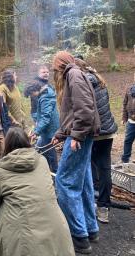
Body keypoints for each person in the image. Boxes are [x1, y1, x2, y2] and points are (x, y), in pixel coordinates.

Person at [0, 126, 75, 256]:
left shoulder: (0, 172)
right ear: (27, 142)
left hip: (22, 234)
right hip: (54, 224)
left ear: (7, 146)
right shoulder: (42, 161)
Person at [52, 51, 100, 255]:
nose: (55, 73)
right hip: (80, 134)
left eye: (55, 69)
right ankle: (91, 229)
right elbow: (73, 111)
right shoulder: (76, 73)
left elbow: (85, 109)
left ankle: (79, 236)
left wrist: (77, 137)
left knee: (64, 182)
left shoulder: (73, 75)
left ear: (61, 65)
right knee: (84, 182)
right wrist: (61, 134)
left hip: (81, 136)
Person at [76, 58, 117, 224]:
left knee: (90, 165)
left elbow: (84, 110)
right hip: (108, 131)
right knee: (104, 167)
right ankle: (103, 207)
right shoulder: (98, 78)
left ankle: (94, 201)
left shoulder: (83, 82)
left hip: (95, 132)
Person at [31, 81, 59, 173]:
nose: (33, 96)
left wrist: (36, 131)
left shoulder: (45, 98)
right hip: (48, 129)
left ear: (35, 90)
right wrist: (36, 118)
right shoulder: (45, 94)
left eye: (32, 94)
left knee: (49, 152)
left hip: (49, 130)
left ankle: (55, 172)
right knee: (42, 149)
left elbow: (46, 118)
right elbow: (42, 113)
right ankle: (47, 171)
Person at [121, 80, 135, 164]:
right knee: (128, 140)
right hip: (131, 121)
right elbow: (125, 103)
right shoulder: (129, 89)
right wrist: (124, 118)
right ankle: (125, 160)